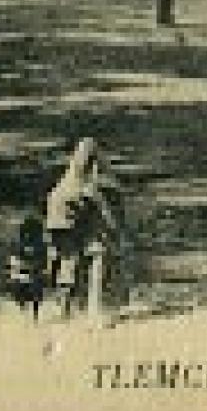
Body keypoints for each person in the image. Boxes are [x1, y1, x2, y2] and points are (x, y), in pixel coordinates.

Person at [44, 138, 122, 322]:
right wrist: (113, 229)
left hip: (55, 220)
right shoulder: (85, 183)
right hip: (66, 218)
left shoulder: (66, 180)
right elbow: (101, 207)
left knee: (67, 261)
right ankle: (94, 309)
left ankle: (62, 309)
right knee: (97, 256)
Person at [6, 214, 49, 320]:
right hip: (28, 272)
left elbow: (13, 261)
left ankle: (30, 312)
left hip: (28, 272)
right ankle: (33, 314)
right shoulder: (40, 244)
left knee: (29, 290)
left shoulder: (19, 243)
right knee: (33, 290)